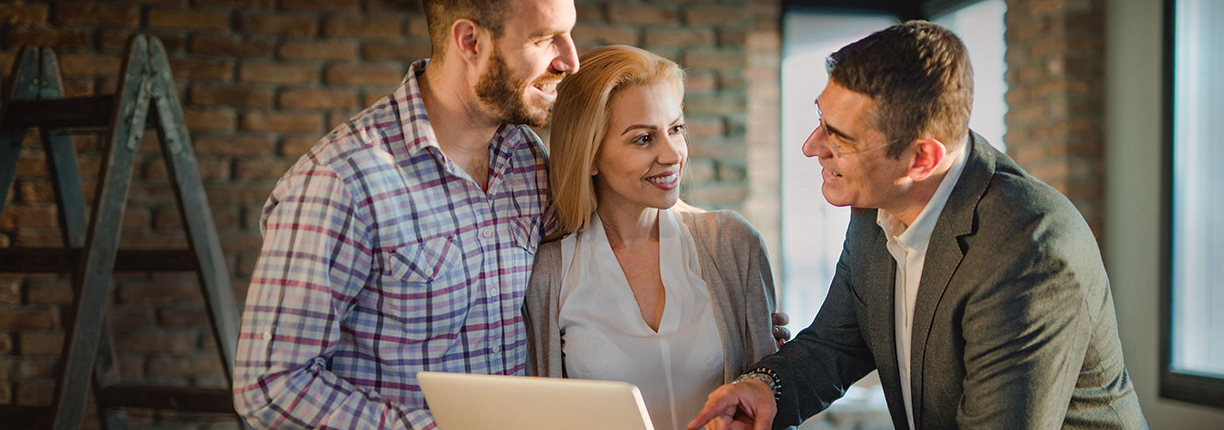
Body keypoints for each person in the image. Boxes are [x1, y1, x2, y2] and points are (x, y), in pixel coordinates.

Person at [689, 21, 1147, 430]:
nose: (811, 147)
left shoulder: (1028, 247)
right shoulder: (877, 204)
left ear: (921, 158)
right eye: (820, 120)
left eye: (839, 138)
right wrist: (765, 389)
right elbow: (837, 344)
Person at [232, 0, 579, 428]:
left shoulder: (526, 158)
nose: (571, 61)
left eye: (569, 34)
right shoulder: (340, 181)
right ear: (470, 42)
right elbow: (271, 384)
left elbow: (605, 240)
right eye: (544, 39)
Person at [523, 45, 779, 430]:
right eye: (643, 139)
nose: (672, 154)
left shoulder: (732, 243)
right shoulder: (548, 273)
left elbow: (772, 403)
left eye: (675, 129)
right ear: (589, 155)